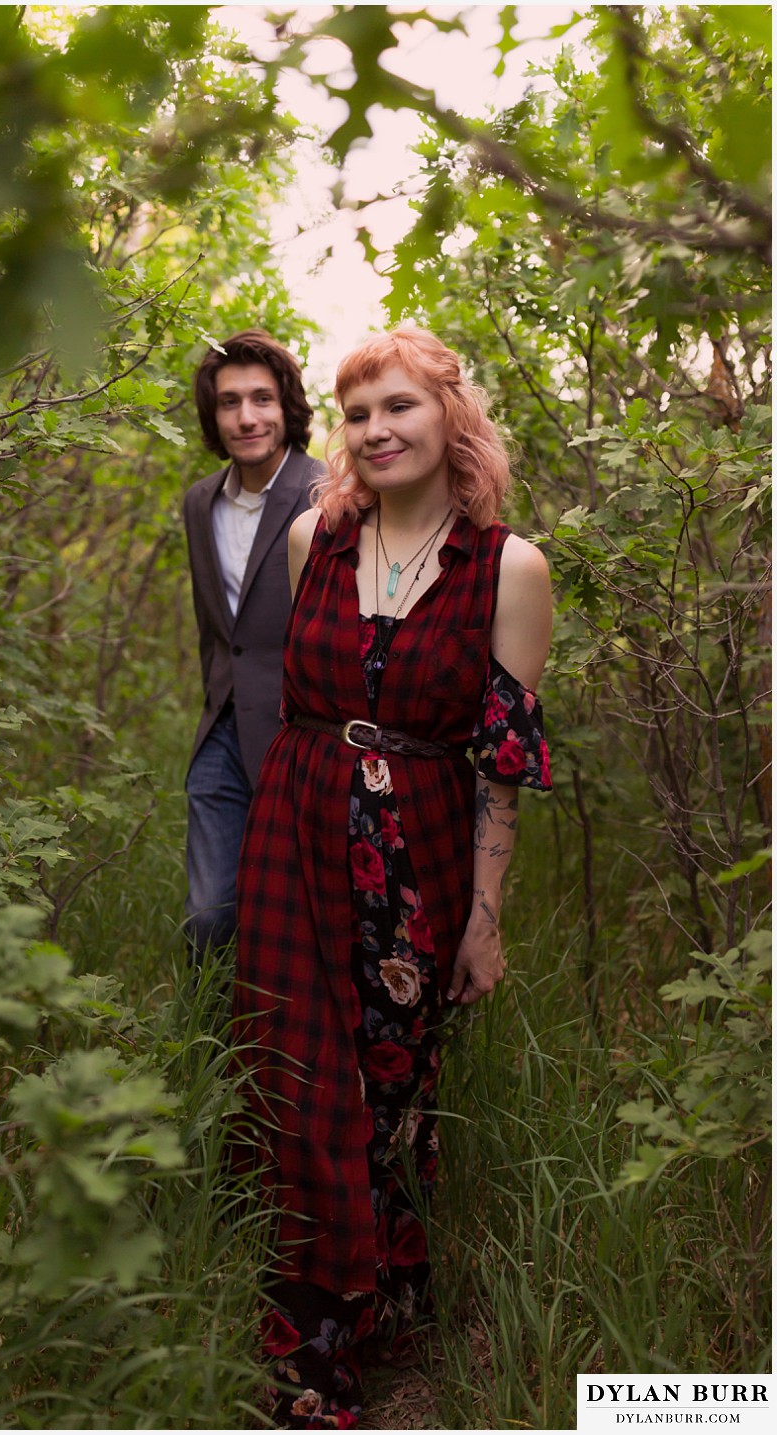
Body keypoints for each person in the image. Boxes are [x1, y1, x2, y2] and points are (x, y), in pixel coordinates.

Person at [233, 327, 553, 1428]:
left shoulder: (509, 565)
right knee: (295, 1075)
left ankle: (392, 1290)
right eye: (359, 413)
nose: (377, 430)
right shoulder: (311, 538)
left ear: (449, 416)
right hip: (298, 822)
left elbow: (503, 761)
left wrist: (487, 918)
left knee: (391, 1083)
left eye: (400, 406)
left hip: (417, 842)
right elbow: (280, 695)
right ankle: (311, 1353)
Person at [183, 330, 323, 958]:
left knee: (293, 916)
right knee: (211, 913)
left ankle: (275, 1045)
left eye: (262, 399)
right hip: (221, 731)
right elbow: (219, 632)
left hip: (303, 736)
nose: (247, 417)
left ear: (286, 404)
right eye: (229, 401)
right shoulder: (198, 503)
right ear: (212, 415)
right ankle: (201, 1045)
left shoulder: (331, 495)